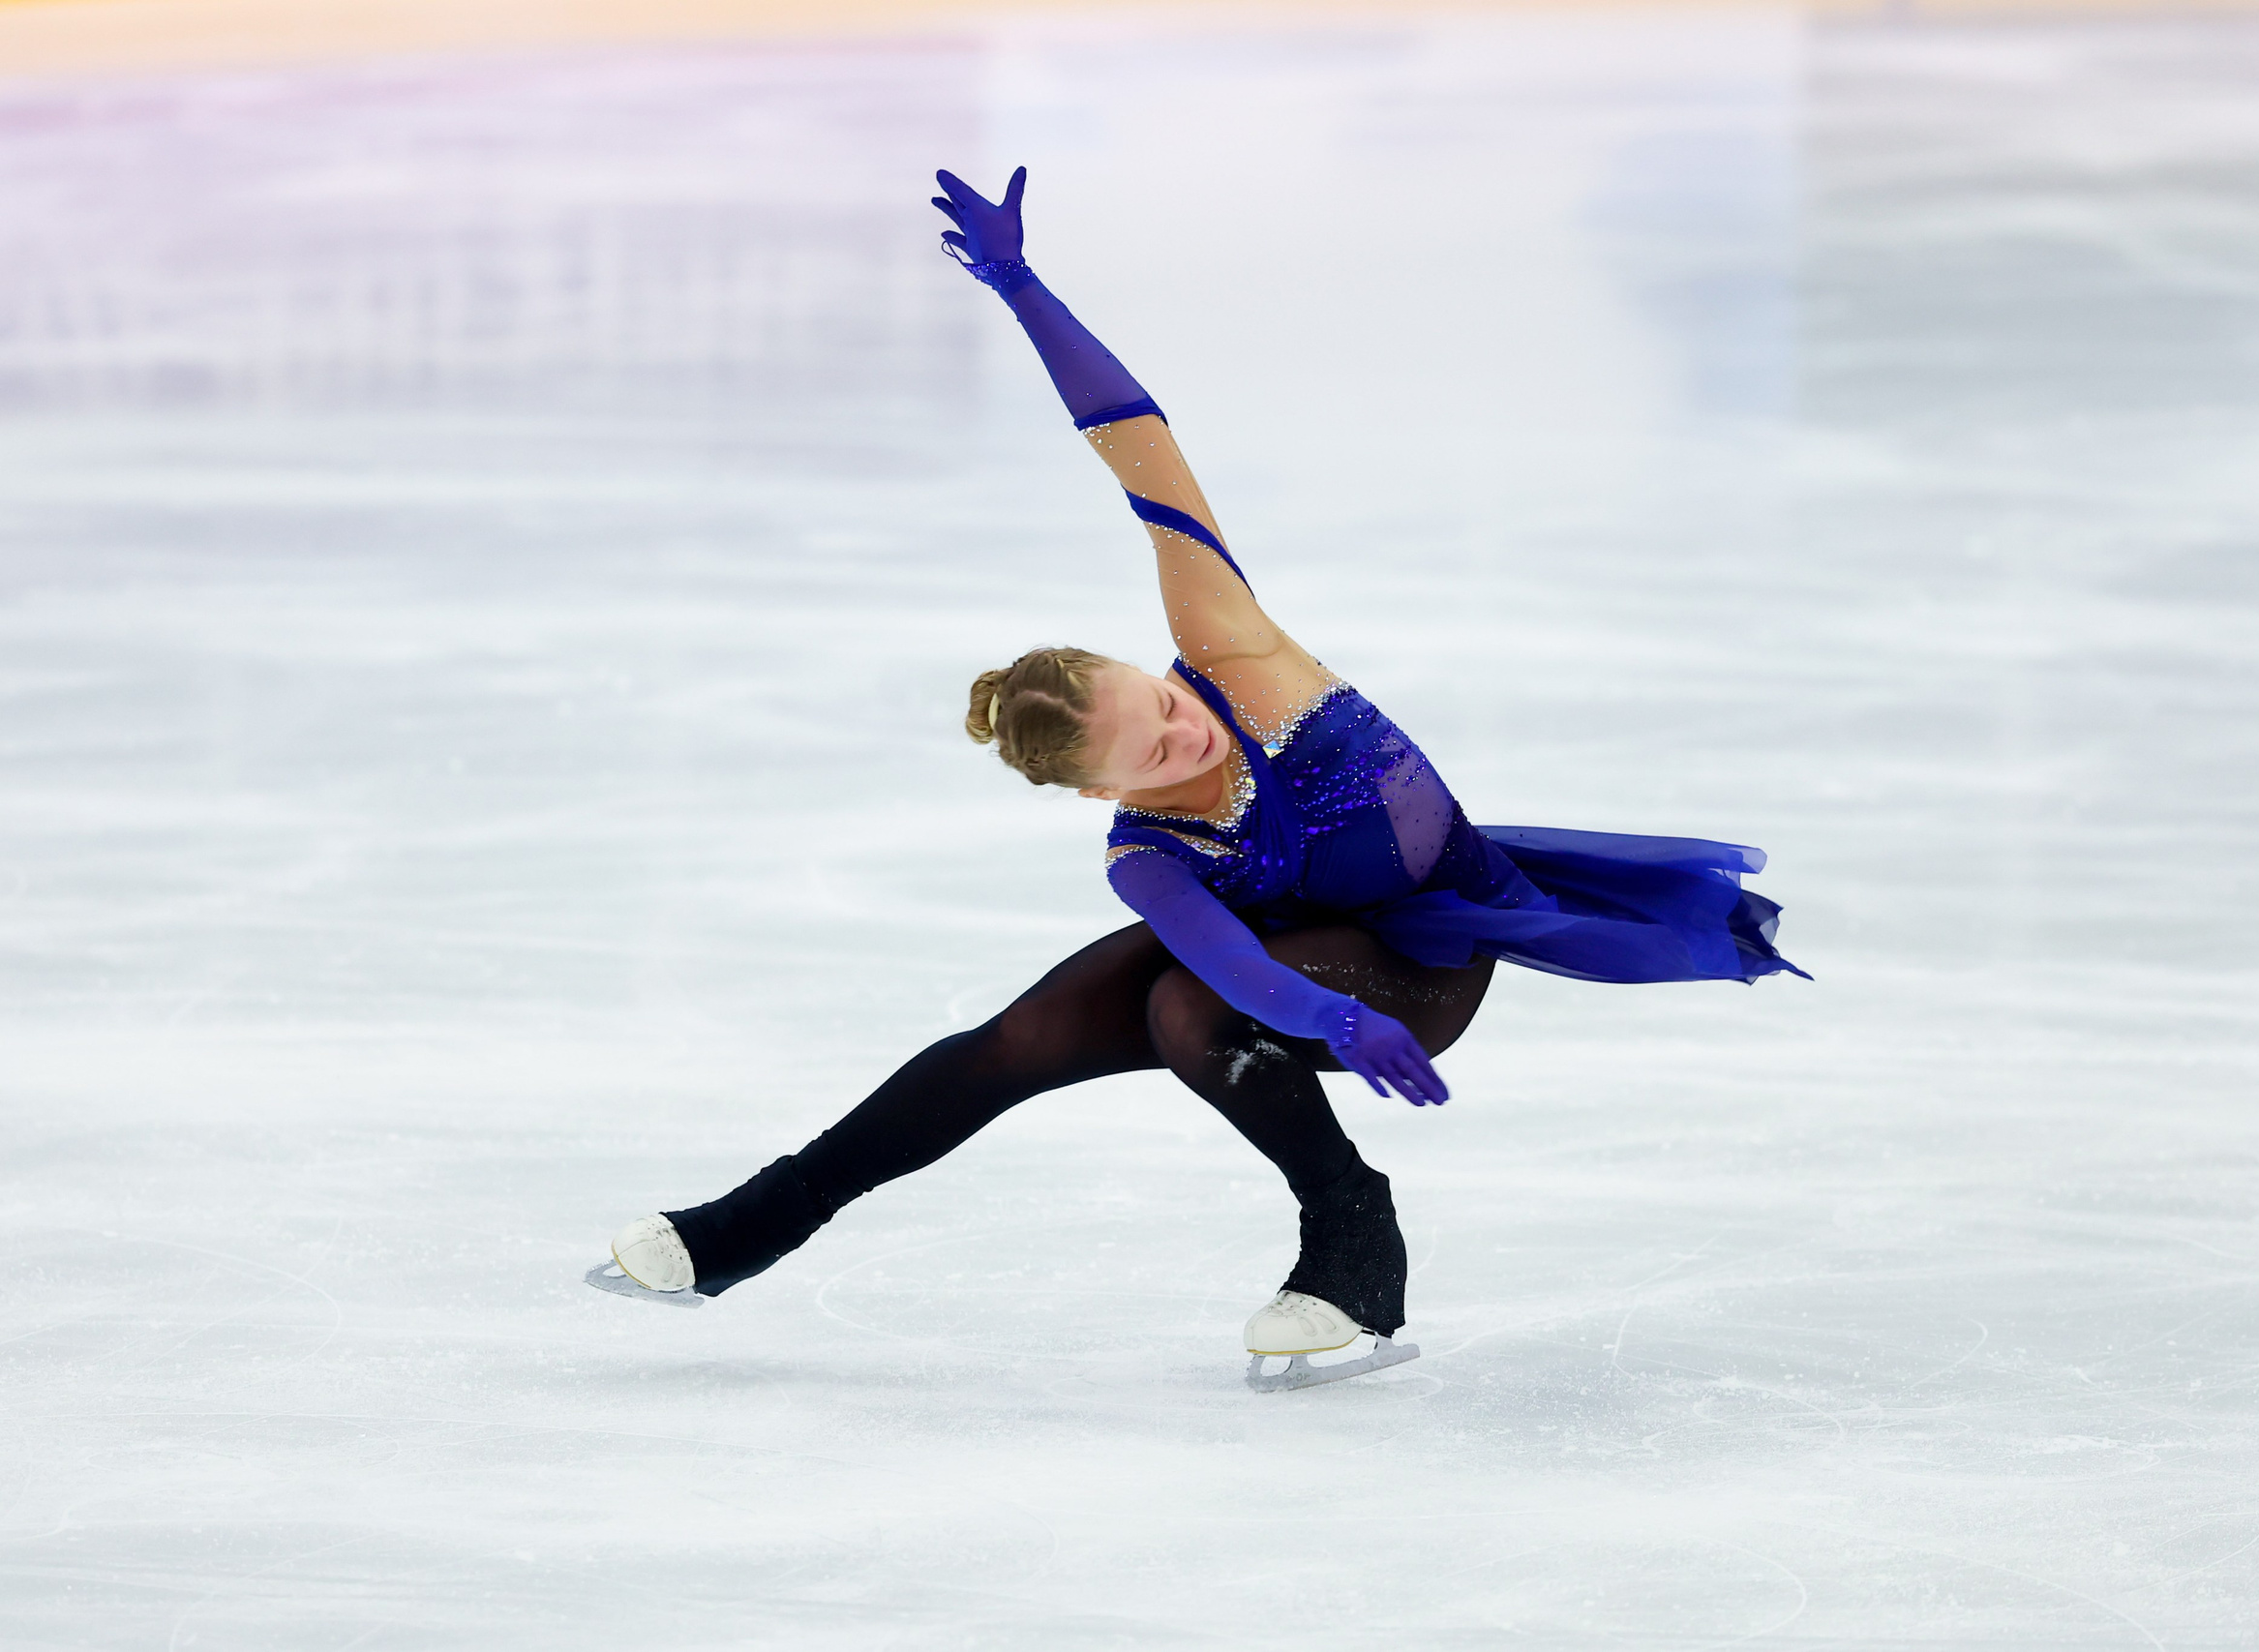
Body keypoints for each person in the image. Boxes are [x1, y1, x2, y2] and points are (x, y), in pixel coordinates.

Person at [585, 166, 1807, 1391]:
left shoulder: (1239, 656)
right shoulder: (1145, 856)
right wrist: (1329, 1020)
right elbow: (1227, 960)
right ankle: (746, 1228)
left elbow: (1140, 450)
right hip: (1320, 989)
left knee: (1186, 1015)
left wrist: (1021, 288)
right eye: (1154, 750)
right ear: (1098, 791)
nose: (1188, 733)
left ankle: (1350, 1240)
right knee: (1019, 1040)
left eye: (1163, 704)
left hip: (1423, 964)